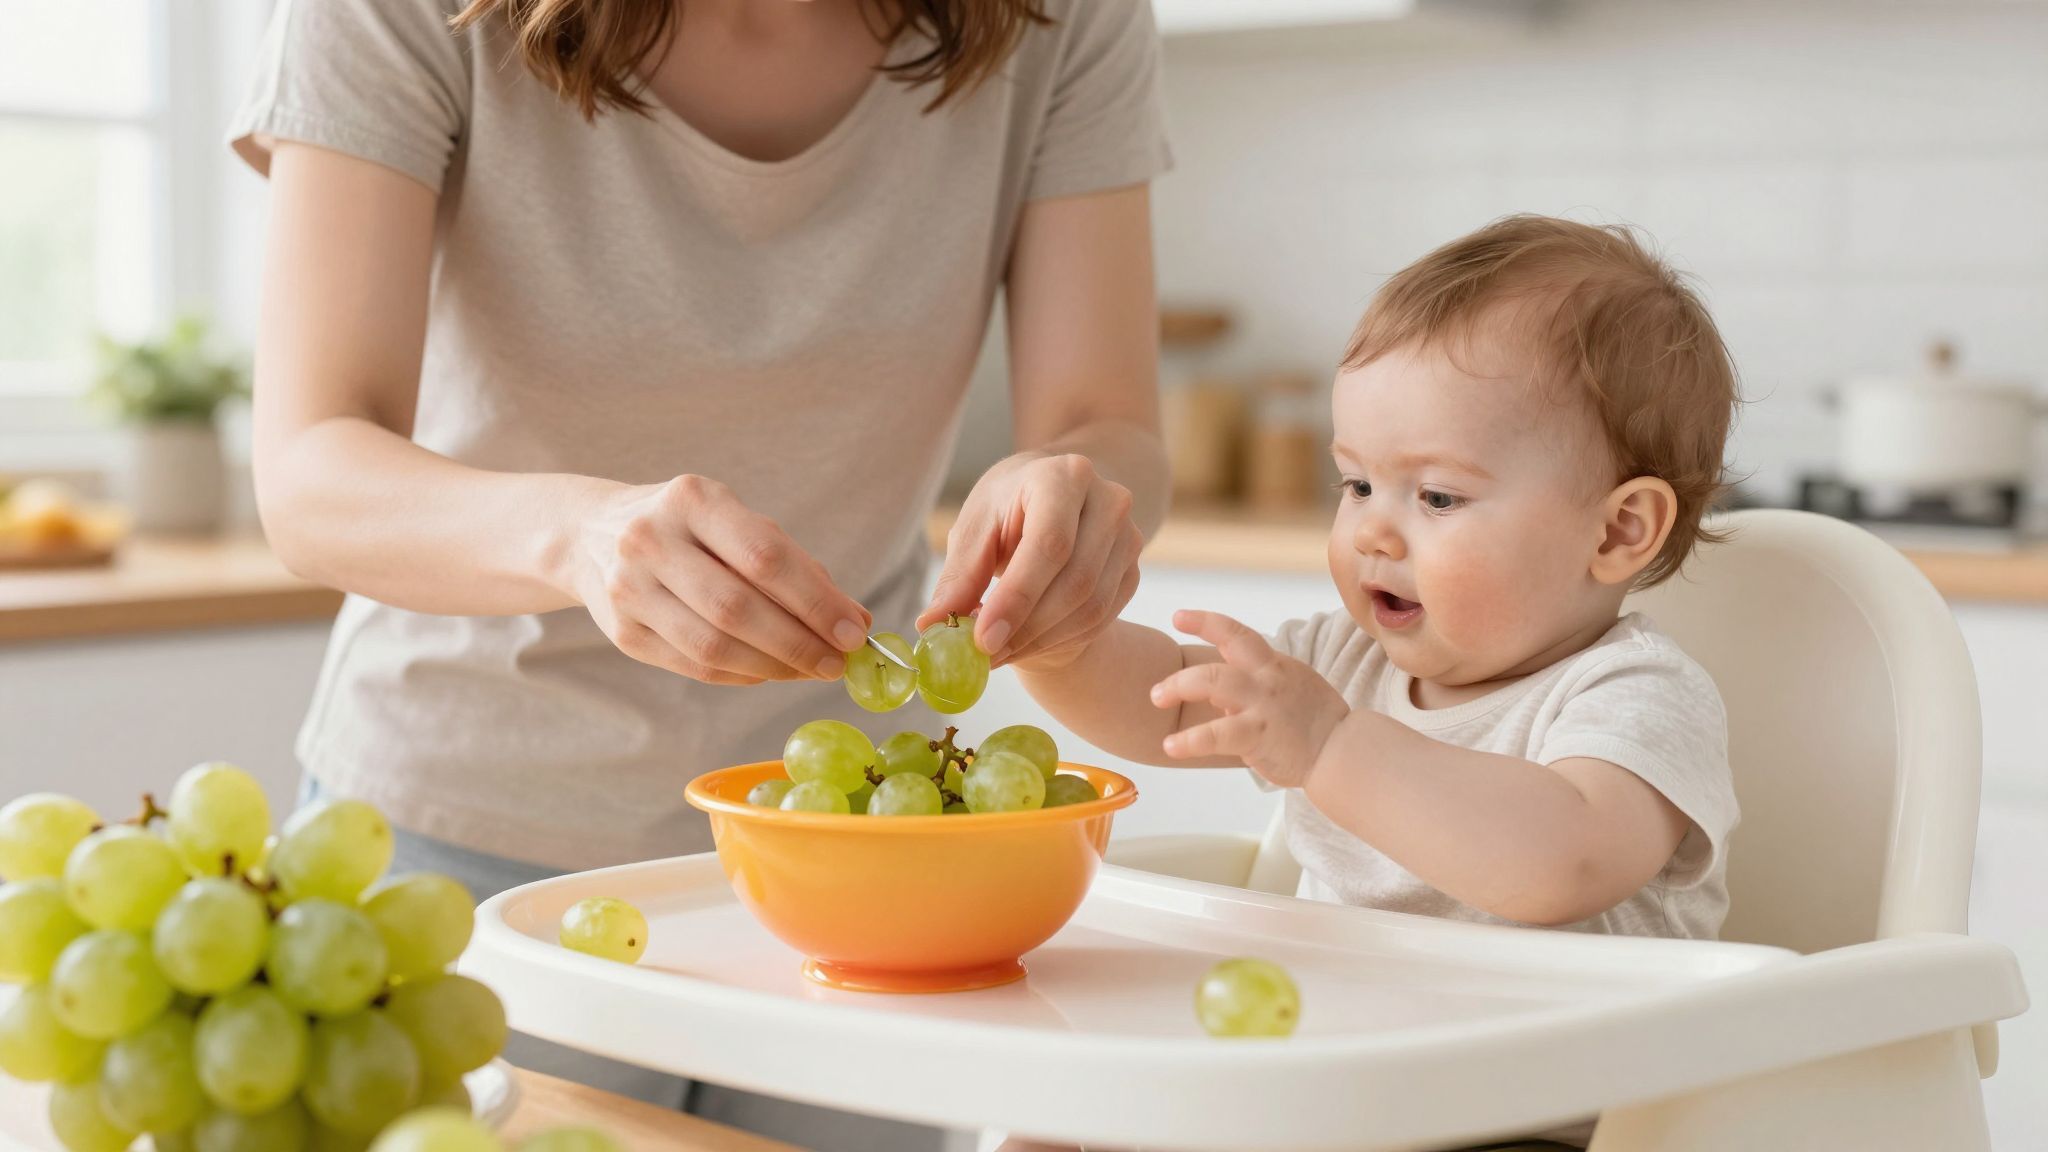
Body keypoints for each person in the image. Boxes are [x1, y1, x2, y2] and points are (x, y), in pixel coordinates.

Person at [229, 0, 1170, 1143]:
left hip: (860, 860)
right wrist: (575, 537)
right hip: (470, 836)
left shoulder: (1066, 19)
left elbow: (1104, 420)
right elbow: (308, 473)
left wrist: (1074, 495)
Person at [1007, 215, 1742, 1150]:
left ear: (1616, 533)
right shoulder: (1341, 663)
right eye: (1355, 484)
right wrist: (1057, 639)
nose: (1373, 534)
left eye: (1435, 496)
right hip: (1332, 1093)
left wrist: (1331, 747)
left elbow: (1561, 861)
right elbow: (1156, 699)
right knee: (1060, 1128)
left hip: (1544, 1125)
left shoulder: (1634, 696)